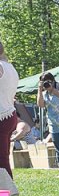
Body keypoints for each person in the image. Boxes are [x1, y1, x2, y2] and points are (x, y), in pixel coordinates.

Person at [0, 38, 19, 179]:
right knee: (3, 158)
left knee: (2, 161)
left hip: (2, 116)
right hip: (8, 114)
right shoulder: (9, 67)